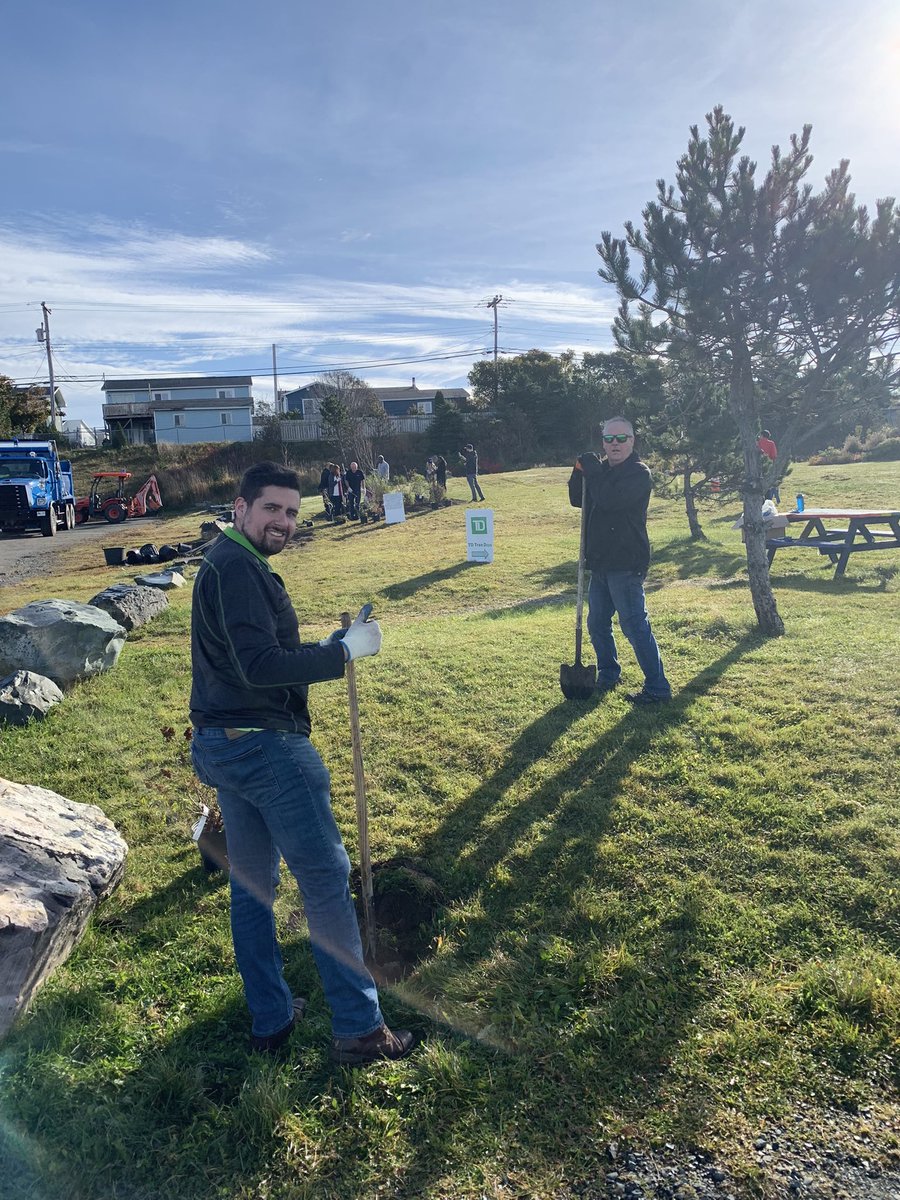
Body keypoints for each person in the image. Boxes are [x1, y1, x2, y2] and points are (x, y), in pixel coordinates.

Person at [189, 461, 416, 1064]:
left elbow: (254, 656)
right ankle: (360, 1030)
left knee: (253, 887)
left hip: (225, 743)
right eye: (272, 508)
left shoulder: (229, 562)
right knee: (324, 882)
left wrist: (327, 647)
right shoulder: (238, 568)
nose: (284, 522)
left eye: (291, 512)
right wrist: (341, 654)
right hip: (265, 749)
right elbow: (259, 666)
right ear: (240, 508)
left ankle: (271, 1017)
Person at [568, 418, 672, 706]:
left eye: (622, 438)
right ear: (603, 442)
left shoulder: (638, 473)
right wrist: (579, 470)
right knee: (597, 624)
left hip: (626, 563)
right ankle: (608, 674)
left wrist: (593, 472)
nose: (615, 444)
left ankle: (658, 688)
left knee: (634, 626)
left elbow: (609, 500)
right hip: (600, 562)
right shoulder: (600, 471)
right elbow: (578, 499)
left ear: (632, 441)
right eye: (609, 438)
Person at [757, 429, 780, 503]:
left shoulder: (757, 443)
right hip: (768, 465)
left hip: (758, 466)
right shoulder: (771, 443)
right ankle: (769, 500)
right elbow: (774, 455)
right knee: (768, 484)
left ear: (762, 435)